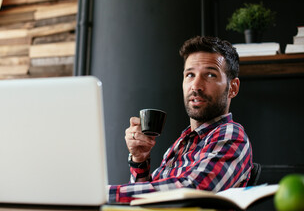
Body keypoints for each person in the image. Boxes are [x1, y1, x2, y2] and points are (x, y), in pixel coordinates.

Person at [108, 36, 253, 204]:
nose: (196, 85)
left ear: (233, 88)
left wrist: (102, 195)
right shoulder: (181, 143)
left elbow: (190, 191)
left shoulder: (232, 135)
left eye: (211, 75)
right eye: (190, 74)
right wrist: (139, 160)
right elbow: (148, 202)